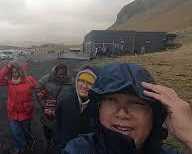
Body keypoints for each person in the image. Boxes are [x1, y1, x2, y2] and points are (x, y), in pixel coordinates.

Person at [63, 62, 192, 154]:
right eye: (111, 101)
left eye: (136, 104)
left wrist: (189, 136)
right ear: (98, 109)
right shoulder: (80, 149)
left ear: (154, 114)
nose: (122, 114)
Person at [0, 61, 37, 153]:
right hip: (12, 112)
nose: (14, 74)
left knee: (26, 131)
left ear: (21, 71)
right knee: (16, 132)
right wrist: (7, 67)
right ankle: (20, 147)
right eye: (13, 72)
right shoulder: (9, 81)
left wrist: (41, 93)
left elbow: (38, 88)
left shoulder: (29, 79)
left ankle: (31, 141)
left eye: (16, 72)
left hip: (26, 112)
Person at [56, 66, 100, 149]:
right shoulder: (65, 101)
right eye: (82, 81)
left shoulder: (99, 107)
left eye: (89, 83)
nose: (84, 85)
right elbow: (58, 126)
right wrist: (60, 145)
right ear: (77, 81)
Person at [36, 64, 73, 150]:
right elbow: (38, 89)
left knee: (60, 130)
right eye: (59, 74)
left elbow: (76, 95)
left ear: (66, 72)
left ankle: (57, 144)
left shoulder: (72, 82)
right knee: (47, 128)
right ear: (55, 72)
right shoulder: (46, 79)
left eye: (63, 75)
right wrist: (43, 105)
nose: (61, 76)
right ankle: (48, 141)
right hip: (48, 110)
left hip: (63, 112)